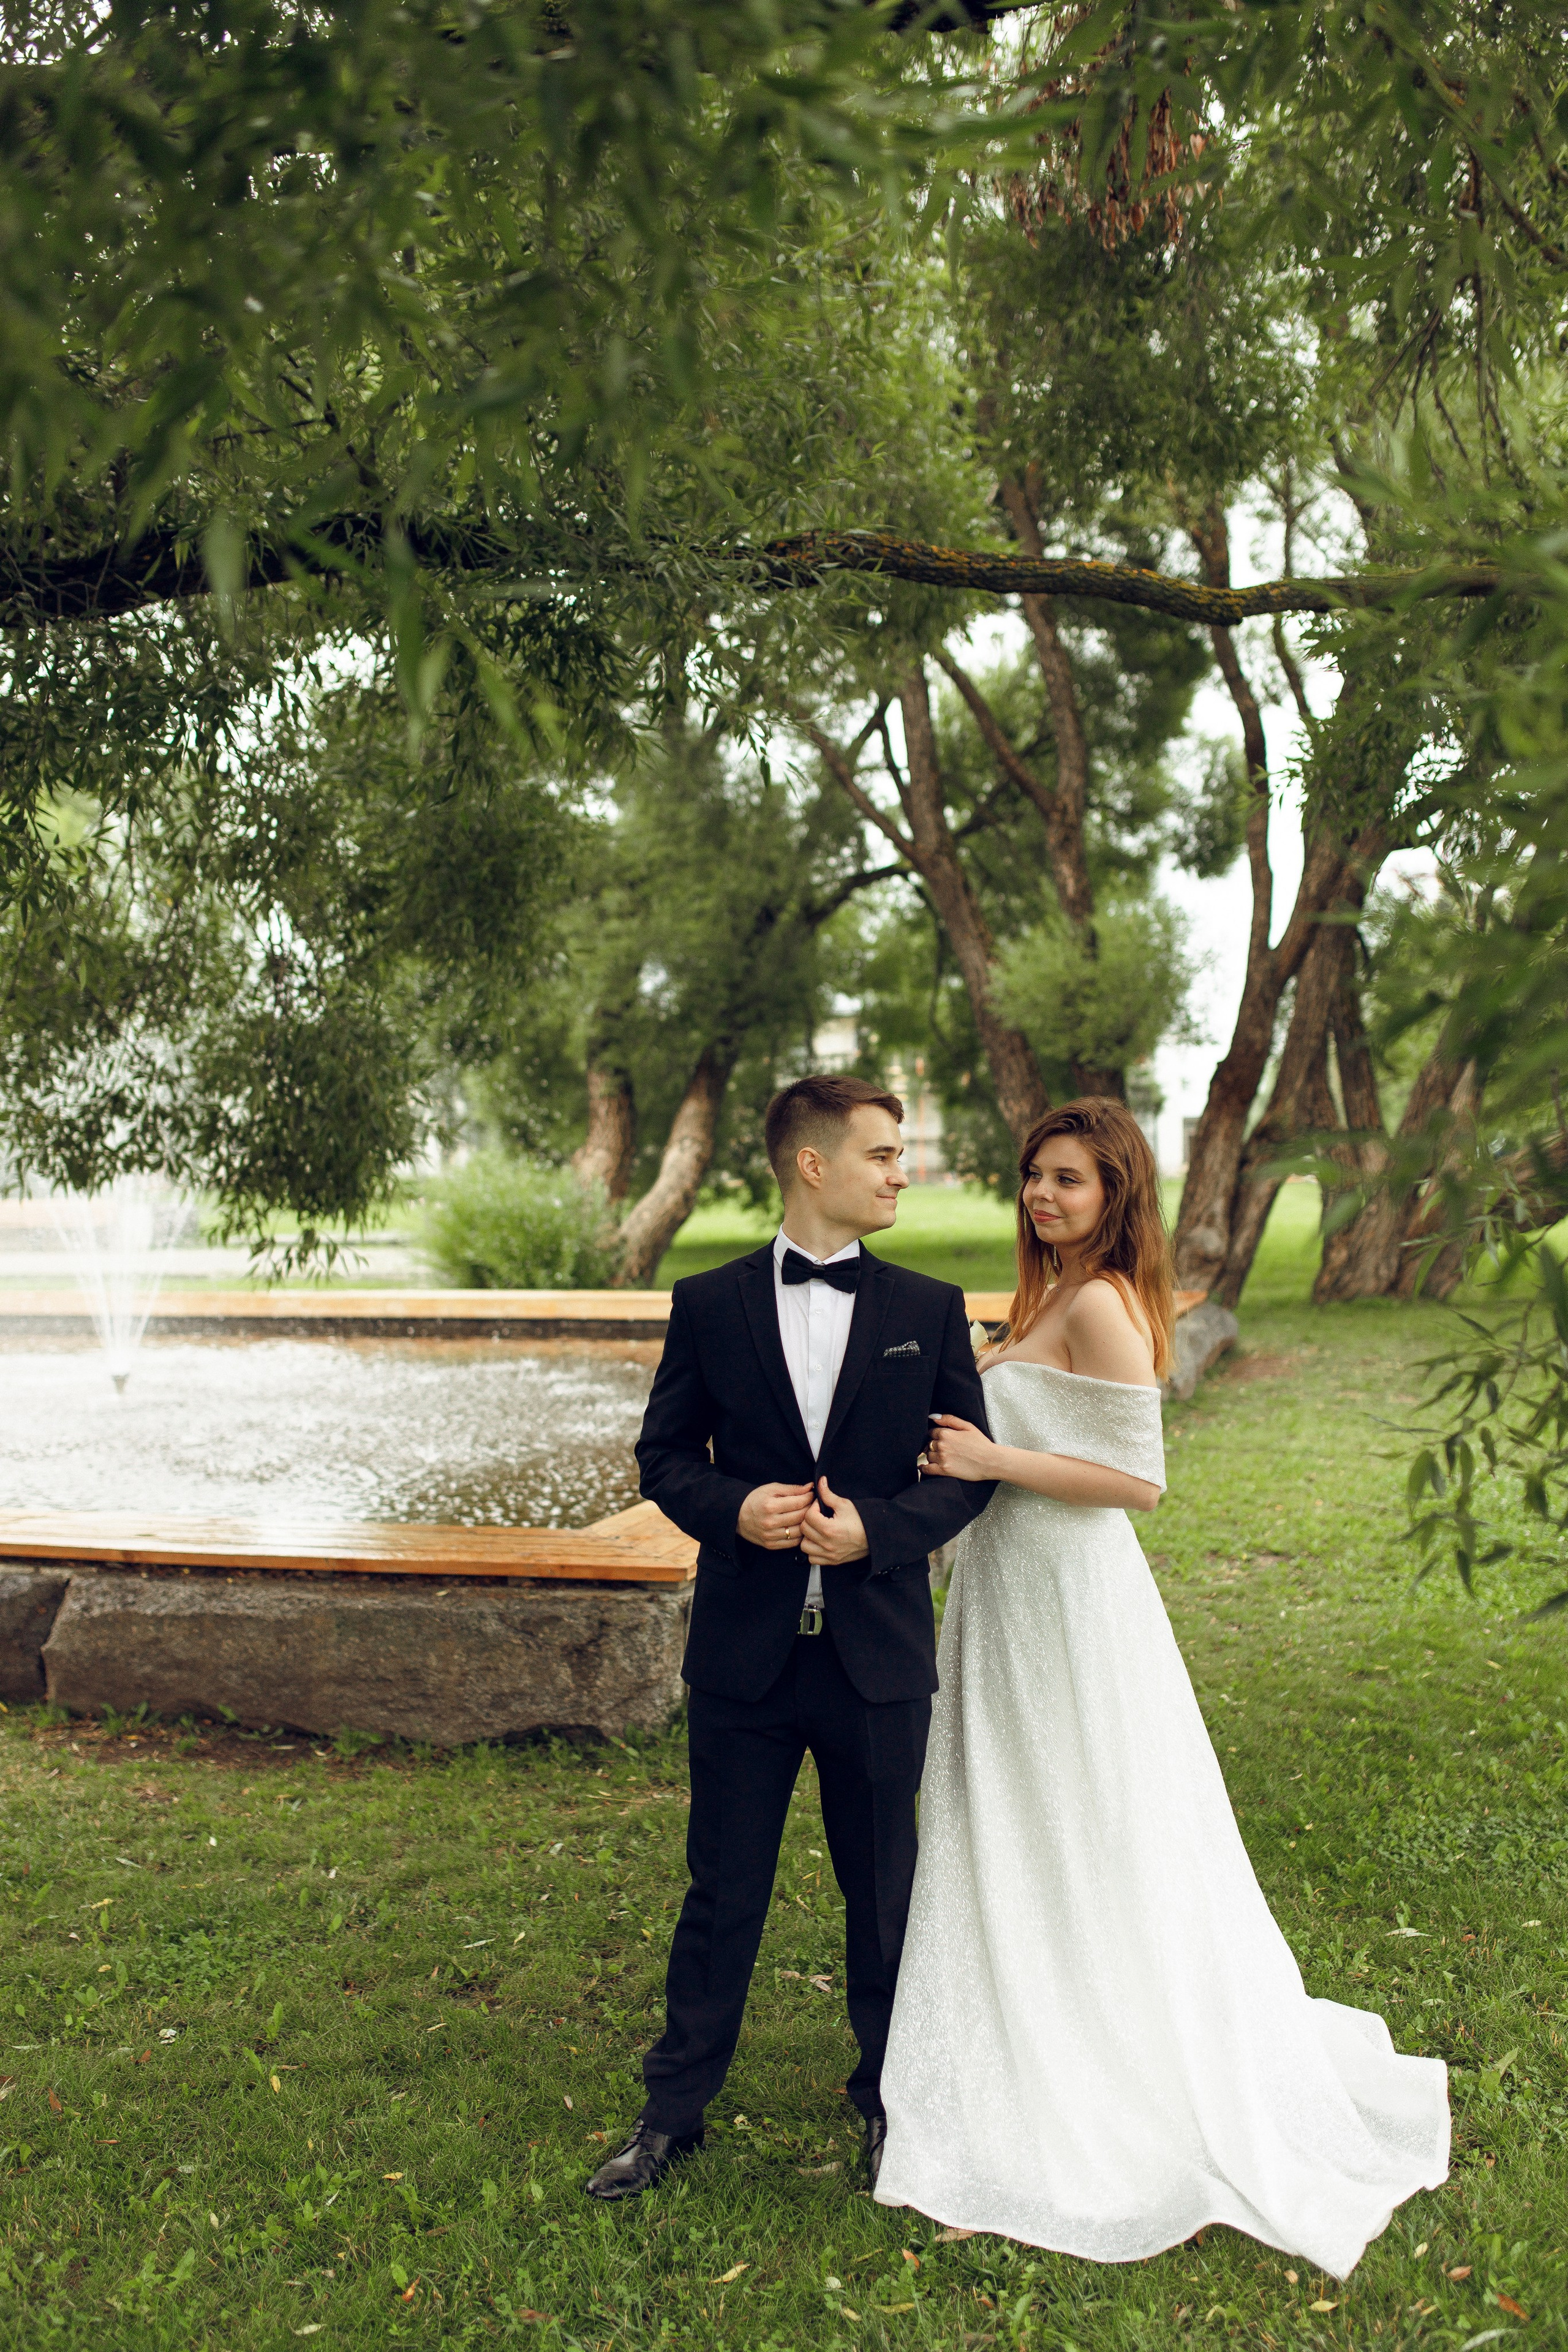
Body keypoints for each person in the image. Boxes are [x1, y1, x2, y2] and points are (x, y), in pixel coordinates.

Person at [875, 1098, 1450, 2278]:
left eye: (1069, 1182)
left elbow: (1138, 1481)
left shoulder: (1095, 1303)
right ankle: (1025, 2022)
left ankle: (1107, 2050)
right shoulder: (1044, 1292)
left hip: (1071, 1599)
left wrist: (989, 1456)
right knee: (1020, 1816)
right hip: (1005, 1593)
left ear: (1116, 1196)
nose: (1043, 1197)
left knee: (1087, 1817)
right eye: (1035, 1176)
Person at [586, 1073, 997, 2202]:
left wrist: (876, 1530)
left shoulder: (928, 1311)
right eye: (883, 1154)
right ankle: (674, 2113)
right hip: (743, 1662)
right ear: (814, 1165)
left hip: (875, 1660)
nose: (901, 1171)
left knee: (884, 1889)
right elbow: (664, 1459)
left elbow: (970, 1477)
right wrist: (733, 1510)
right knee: (722, 1890)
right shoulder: (709, 1303)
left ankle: (890, 2105)